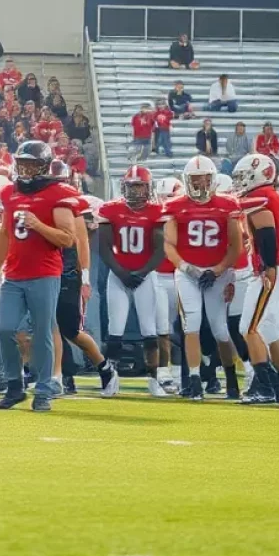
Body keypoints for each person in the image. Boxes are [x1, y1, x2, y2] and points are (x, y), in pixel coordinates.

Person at [0, 140, 81, 412]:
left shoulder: (58, 193)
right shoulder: (9, 192)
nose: (25, 169)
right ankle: (15, 386)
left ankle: (43, 389)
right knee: (5, 328)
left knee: (42, 332)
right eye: (22, 163)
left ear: (43, 166)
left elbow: (68, 238)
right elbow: (5, 233)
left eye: (31, 164)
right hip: (14, 274)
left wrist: (39, 225)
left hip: (44, 273)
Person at [164, 156, 242, 400]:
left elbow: (235, 245)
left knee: (220, 329)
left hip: (217, 273)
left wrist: (217, 270)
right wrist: (188, 268)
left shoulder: (228, 204)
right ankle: (195, 379)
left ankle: (230, 377)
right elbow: (169, 244)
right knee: (192, 325)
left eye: (203, 179)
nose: (199, 185)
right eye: (194, 180)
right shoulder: (175, 206)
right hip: (189, 273)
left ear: (212, 180)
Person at [232, 153, 279, 403]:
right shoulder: (275, 197)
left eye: (245, 176)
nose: (241, 182)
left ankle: (265, 387)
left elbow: (267, 232)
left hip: (274, 267)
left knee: (248, 327)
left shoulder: (260, 197)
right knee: (269, 329)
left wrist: (268, 265)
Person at [98, 166, 168, 396]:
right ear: (123, 187)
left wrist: (142, 272)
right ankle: (111, 380)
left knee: (149, 329)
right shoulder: (111, 209)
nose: (135, 191)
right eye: (131, 186)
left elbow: (160, 250)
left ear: (148, 187)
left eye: (139, 186)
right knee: (115, 329)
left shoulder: (157, 211)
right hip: (119, 275)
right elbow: (104, 248)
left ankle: (154, 380)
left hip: (144, 276)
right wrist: (122, 273)